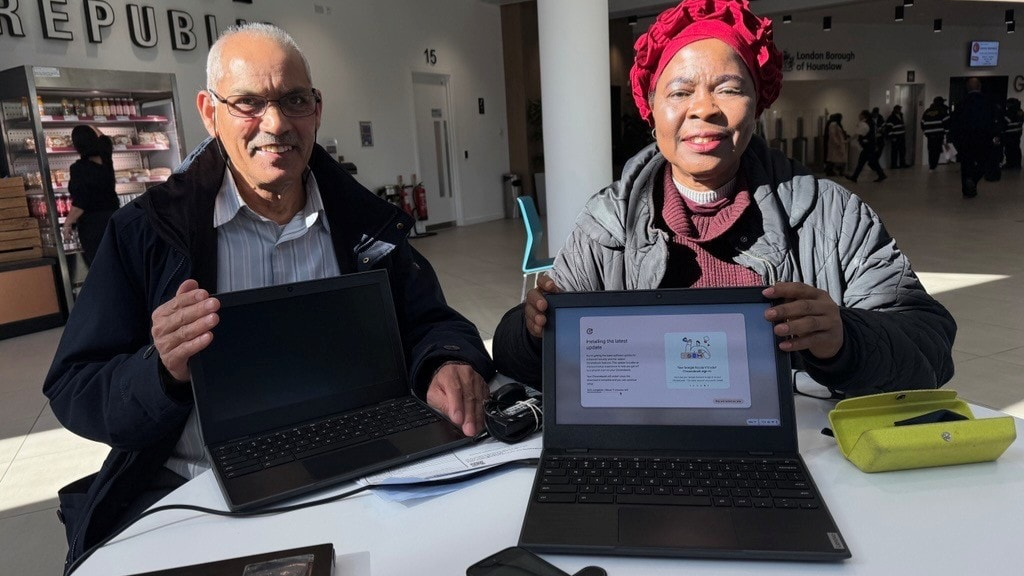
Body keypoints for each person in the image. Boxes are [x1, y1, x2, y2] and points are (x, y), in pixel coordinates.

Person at [43, 23, 494, 567]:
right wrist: (159, 371)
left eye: (293, 100)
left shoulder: (363, 223)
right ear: (209, 113)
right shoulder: (147, 233)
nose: (276, 123)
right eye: (249, 103)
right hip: (199, 494)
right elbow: (75, 386)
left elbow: (433, 324)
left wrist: (444, 361)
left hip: (366, 472)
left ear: (317, 108)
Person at [492, 0, 954, 401]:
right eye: (680, 91)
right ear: (651, 110)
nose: (704, 108)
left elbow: (929, 347)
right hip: (648, 440)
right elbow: (517, 361)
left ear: (758, 104)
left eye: (730, 89)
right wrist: (534, 333)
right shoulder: (607, 224)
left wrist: (846, 338)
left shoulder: (831, 216)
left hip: (800, 451)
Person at [62, 125, 118, 265]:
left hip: (93, 227)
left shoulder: (79, 169)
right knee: (117, 262)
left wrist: (67, 224)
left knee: (99, 266)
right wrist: (89, 124)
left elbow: (80, 204)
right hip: (114, 219)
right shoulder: (106, 157)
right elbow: (104, 138)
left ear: (77, 146)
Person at [949, 77, 1001, 198]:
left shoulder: (961, 104)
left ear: (967, 88)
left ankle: (967, 189)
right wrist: (996, 137)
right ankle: (973, 180)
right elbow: (995, 122)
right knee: (983, 162)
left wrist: (954, 139)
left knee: (966, 164)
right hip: (984, 138)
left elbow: (954, 124)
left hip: (965, 140)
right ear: (979, 87)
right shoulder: (988, 103)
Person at [849, 110, 887, 183]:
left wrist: (849, 140)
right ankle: (881, 174)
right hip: (870, 146)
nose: (859, 116)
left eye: (860, 114)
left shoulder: (866, 124)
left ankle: (855, 177)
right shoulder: (870, 122)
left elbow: (859, 133)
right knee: (868, 161)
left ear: (864, 115)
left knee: (865, 161)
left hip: (868, 146)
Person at [920, 96, 950, 170]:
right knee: (937, 151)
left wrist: (925, 132)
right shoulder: (942, 111)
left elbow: (922, 123)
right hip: (938, 135)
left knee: (931, 150)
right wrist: (946, 133)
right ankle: (933, 166)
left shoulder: (927, 111)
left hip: (930, 136)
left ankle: (931, 166)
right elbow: (946, 123)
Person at [824, 113, 849, 177]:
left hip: (838, 144)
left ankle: (839, 171)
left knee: (837, 159)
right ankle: (833, 171)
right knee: (834, 159)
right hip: (835, 145)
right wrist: (837, 142)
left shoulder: (836, 124)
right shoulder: (833, 124)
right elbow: (833, 135)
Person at [1001, 97, 1022, 170]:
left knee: (1009, 150)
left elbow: (1006, 121)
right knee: (1016, 149)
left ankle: (1010, 164)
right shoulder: (1020, 111)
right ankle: (1017, 164)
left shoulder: (1010, 112)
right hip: (1017, 133)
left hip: (1010, 134)